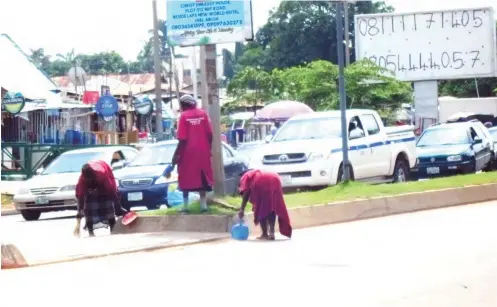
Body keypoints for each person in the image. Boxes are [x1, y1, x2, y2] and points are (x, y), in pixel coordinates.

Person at [166, 95, 213, 213]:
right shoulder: (203, 114)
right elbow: (210, 134)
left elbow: (182, 139)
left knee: (185, 177)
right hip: (203, 152)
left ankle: (185, 207)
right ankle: (203, 206)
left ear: (183, 105)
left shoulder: (183, 117)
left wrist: (176, 154)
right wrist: (209, 149)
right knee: (202, 177)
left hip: (187, 152)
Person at [75, 160, 127, 237]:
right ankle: (91, 232)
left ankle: (113, 228)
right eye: (87, 179)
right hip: (95, 181)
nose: (89, 180)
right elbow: (80, 196)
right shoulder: (82, 180)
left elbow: (111, 191)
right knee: (88, 208)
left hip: (104, 176)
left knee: (108, 206)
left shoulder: (102, 174)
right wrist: (79, 211)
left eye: (90, 179)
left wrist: (118, 207)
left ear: (93, 176)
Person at [238, 169, 292, 240]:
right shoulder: (256, 172)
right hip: (275, 178)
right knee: (272, 206)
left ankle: (265, 234)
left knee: (260, 207)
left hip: (262, 181)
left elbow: (246, 193)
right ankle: (271, 233)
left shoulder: (245, 176)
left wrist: (242, 209)